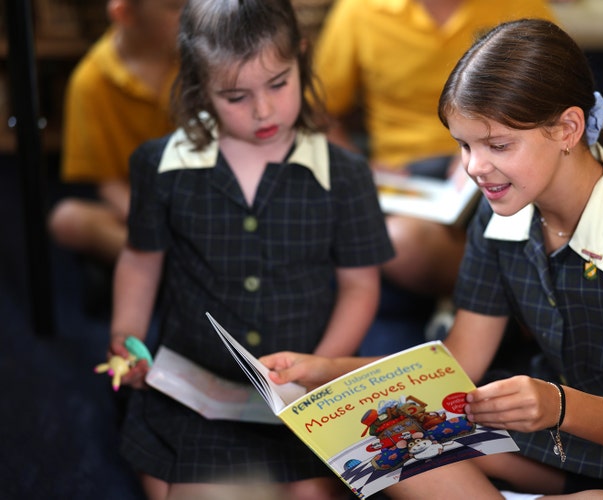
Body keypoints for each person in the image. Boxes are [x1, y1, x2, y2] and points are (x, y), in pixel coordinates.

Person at [261, 18, 603, 499]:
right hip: (556, 442)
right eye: (464, 146)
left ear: (567, 128)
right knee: (388, 444)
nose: (474, 167)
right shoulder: (499, 218)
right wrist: (324, 371)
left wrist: (557, 405)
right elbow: (457, 363)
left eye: (497, 145)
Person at [108, 0, 394, 498]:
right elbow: (139, 261)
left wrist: (321, 371)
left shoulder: (346, 175)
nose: (263, 110)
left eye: (279, 84)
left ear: (301, 59)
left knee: (309, 493)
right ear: (199, 85)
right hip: (196, 388)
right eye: (236, 95)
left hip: (307, 387)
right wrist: (126, 333)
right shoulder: (158, 166)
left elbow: (359, 286)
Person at [313, 0, 557, 354]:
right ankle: (515, 307)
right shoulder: (359, 11)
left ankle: (484, 312)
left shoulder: (522, 5)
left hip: (502, 158)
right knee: (400, 242)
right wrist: (359, 165)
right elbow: (318, 113)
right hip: (408, 176)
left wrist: (485, 150)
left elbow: (557, 96)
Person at [48, 0, 183, 266]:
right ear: (124, 13)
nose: (194, 13)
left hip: (198, 198)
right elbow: (109, 184)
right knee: (66, 219)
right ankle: (163, 264)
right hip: (135, 206)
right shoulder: (90, 82)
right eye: (176, 7)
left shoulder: (200, 58)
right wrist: (153, 220)